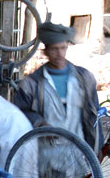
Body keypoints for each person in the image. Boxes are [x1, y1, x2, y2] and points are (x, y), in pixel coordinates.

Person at [13, 22, 102, 153]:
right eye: (54, 49)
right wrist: (40, 123)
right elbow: (20, 112)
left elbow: (94, 114)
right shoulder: (30, 84)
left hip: (77, 150)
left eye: (63, 48)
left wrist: (97, 146)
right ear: (46, 52)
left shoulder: (85, 78)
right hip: (44, 152)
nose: (59, 53)